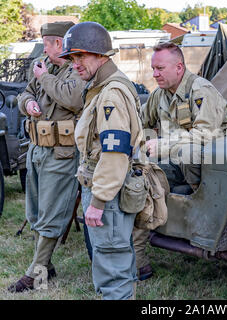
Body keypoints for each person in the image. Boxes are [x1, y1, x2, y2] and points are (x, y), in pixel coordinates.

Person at [59, 21, 143, 300]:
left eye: (80, 56)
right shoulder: (102, 87)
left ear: (100, 55)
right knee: (115, 265)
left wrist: (98, 201)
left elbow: (115, 151)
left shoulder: (111, 93)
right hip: (106, 190)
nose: (75, 64)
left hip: (108, 195)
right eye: (72, 58)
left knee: (112, 272)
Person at [134, 41, 227, 280]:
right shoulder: (159, 95)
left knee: (189, 152)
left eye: (160, 68)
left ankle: (196, 197)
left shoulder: (200, 90)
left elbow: (204, 135)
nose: (154, 74)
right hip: (176, 161)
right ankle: (138, 261)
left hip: (214, 164)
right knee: (138, 182)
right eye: (153, 68)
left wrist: (161, 145)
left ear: (179, 67)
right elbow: (141, 122)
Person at [8, 21, 85, 293]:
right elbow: (25, 93)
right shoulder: (45, 66)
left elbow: (72, 98)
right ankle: (47, 267)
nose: (43, 46)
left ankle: (36, 275)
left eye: (46, 41)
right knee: (36, 212)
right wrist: (28, 103)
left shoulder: (76, 69)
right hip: (37, 148)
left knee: (51, 215)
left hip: (62, 152)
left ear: (59, 44)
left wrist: (43, 78)